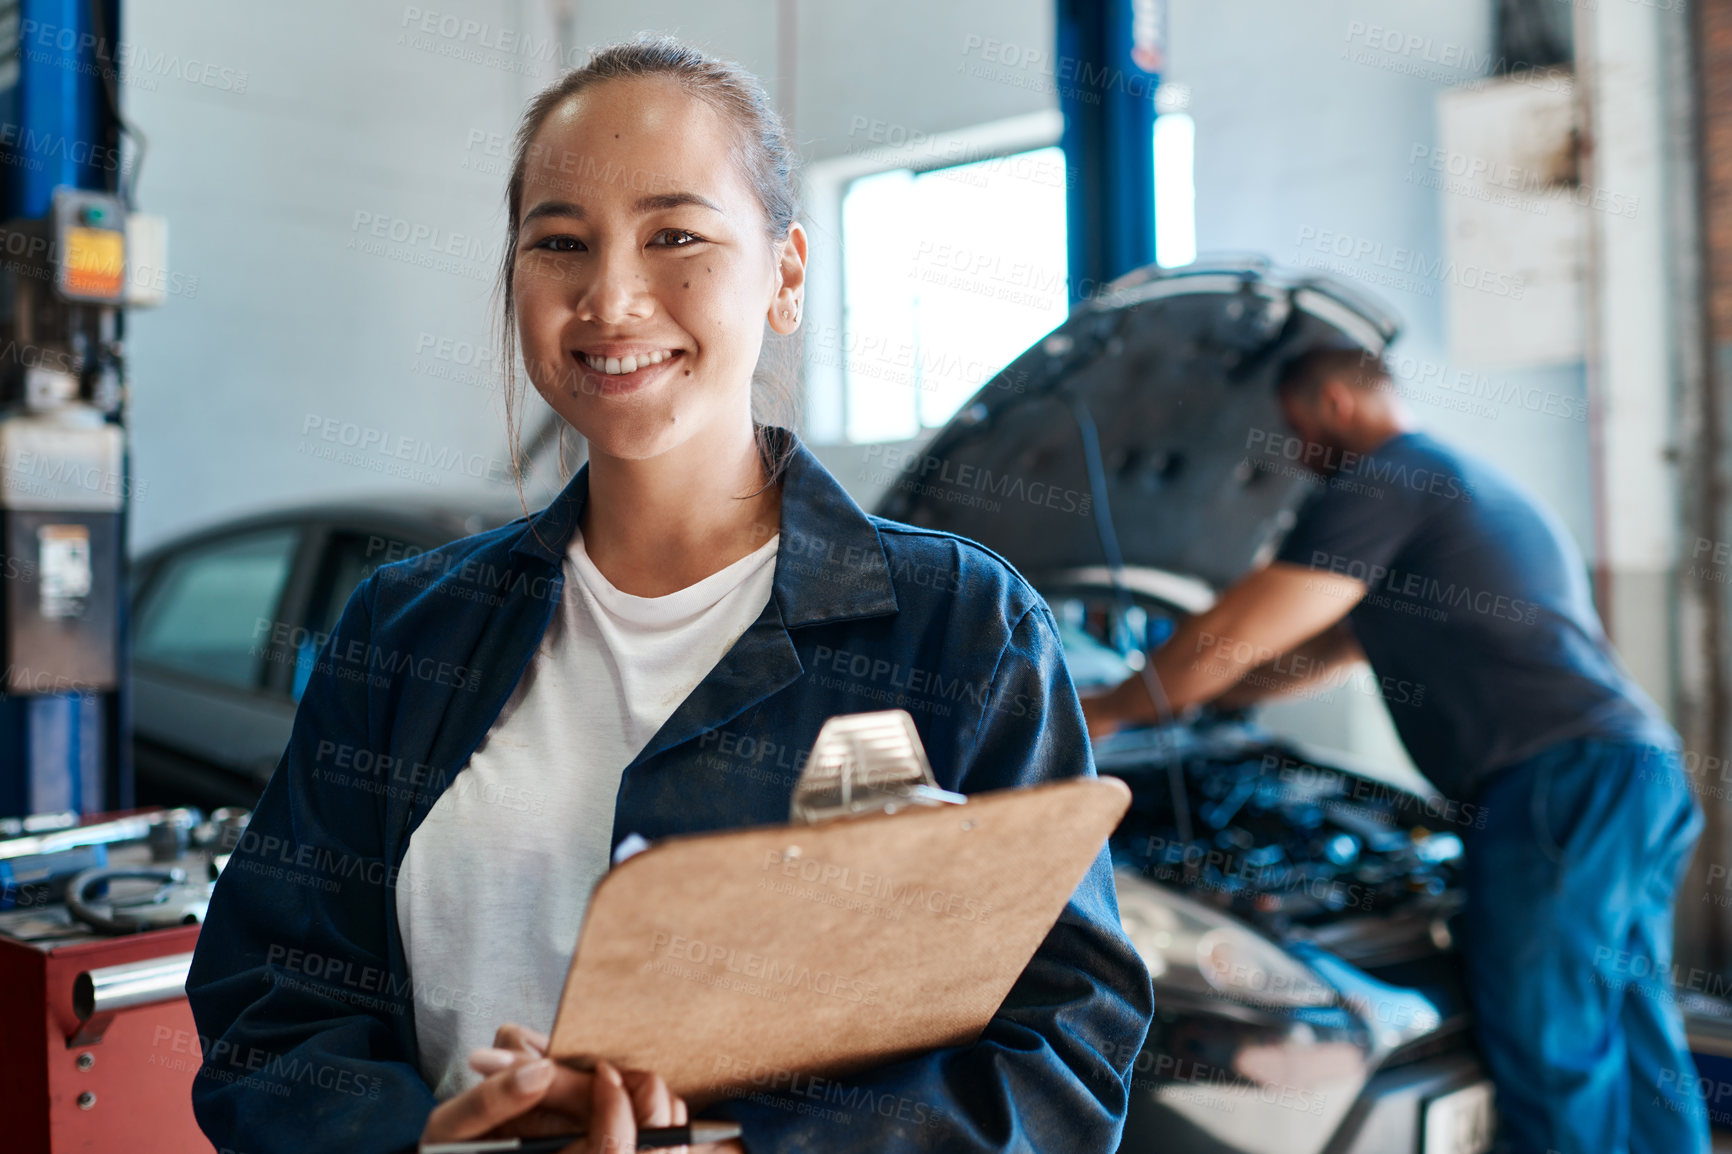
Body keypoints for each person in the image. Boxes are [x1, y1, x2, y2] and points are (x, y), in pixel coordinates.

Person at [184, 34, 1153, 1154]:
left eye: (675, 235)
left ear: (784, 274)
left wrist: (742, 1148)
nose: (611, 296)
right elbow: (270, 1006)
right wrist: (429, 1138)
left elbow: (1066, 1044)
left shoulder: (961, 626)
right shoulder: (406, 628)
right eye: (560, 243)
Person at [1081, 346, 1706, 1154]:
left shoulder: (1383, 480)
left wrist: (1115, 708)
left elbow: (1249, 623)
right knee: (1628, 1012)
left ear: (1336, 403)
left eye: (1298, 430)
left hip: (1556, 778)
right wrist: (1212, 701)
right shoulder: (1446, 482)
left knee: (1549, 1029)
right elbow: (1316, 648)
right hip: (1630, 768)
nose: (1300, 456)